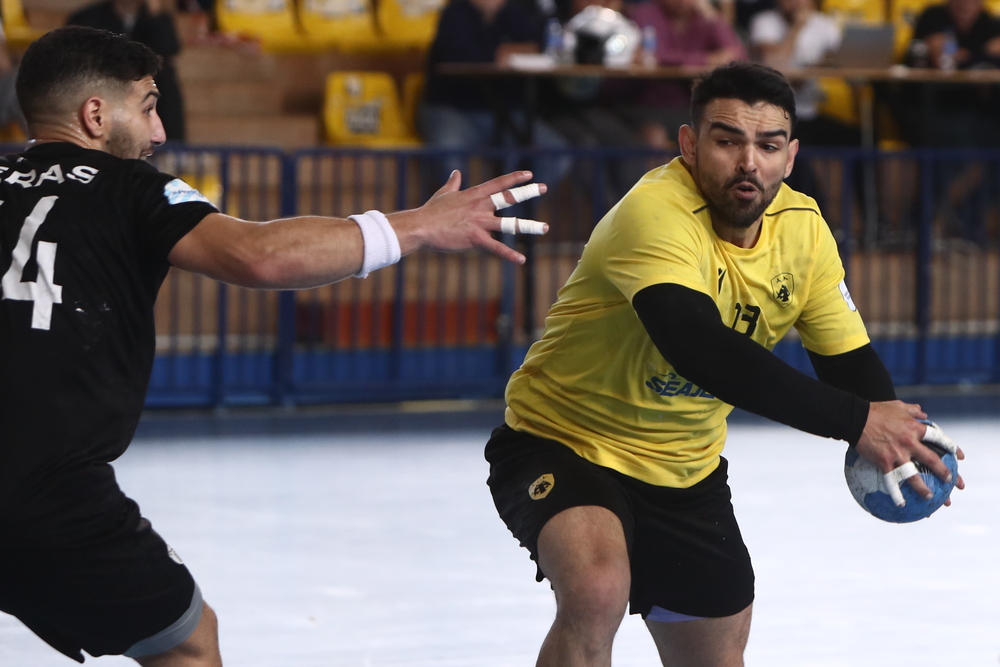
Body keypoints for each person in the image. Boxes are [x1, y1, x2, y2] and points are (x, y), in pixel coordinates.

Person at [0, 26, 548, 665]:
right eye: (147, 107)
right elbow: (261, 256)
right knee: (188, 645)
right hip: (45, 490)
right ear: (96, 116)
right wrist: (418, 226)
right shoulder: (132, 188)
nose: (159, 132)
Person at [484, 61, 964, 666]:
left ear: (790, 157)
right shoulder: (654, 214)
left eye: (768, 145)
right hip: (563, 441)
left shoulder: (804, 232)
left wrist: (900, 438)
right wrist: (857, 421)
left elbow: (848, 362)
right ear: (689, 145)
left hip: (685, 469)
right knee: (597, 589)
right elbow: (699, 349)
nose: (748, 163)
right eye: (728, 141)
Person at [419, 0, 570, 188]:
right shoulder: (454, 12)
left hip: (504, 110)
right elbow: (456, 54)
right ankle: (461, 208)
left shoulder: (517, 11)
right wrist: (495, 54)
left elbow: (538, 46)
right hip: (452, 108)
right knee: (450, 158)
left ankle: (512, 207)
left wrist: (501, 13)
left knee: (555, 153)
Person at [622, 0, 745, 148]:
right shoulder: (644, 13)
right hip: (648, 103)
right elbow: (651, 56)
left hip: (692, 105)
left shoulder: (704, 16)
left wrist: (713, 18)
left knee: (723, 130)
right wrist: (707, 60)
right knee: (654, 136)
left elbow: (736, 56)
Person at [68, 0, 187, 142]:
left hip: (145, 88)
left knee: (165, 80)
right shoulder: (87, 17)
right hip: (103, 88)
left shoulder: (157, 18)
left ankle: (169, 145)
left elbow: (168, 50)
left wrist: (154, 15)